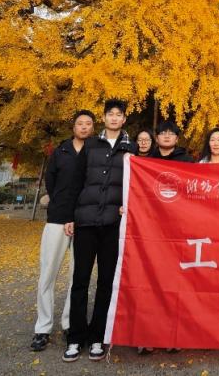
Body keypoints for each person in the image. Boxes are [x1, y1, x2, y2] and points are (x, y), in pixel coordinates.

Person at [64, 99, 134, 362]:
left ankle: (97, 336)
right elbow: (76, 182)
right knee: (80, 280)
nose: (114, 118)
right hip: (86, 221)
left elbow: (135, 185)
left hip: (113, 224)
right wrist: (70, 216)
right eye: (110, 114)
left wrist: (127, 205)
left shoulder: (131, 148)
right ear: (104, 118)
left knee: (106, 282)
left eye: (119, 115)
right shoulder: (91, 145)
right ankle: (75, 337)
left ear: (124, 119)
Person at [31, 109, 94, 352]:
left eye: (88, 123)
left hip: (84, 221)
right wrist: (62, 210)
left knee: (77, 276)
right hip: (57, 218)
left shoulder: (95, 152)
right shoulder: (61, 151)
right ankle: (42, 327)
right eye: (80, 123)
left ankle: (70, 323)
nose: (84, 127)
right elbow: (52, 182)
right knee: (48, 273)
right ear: (74, 127)